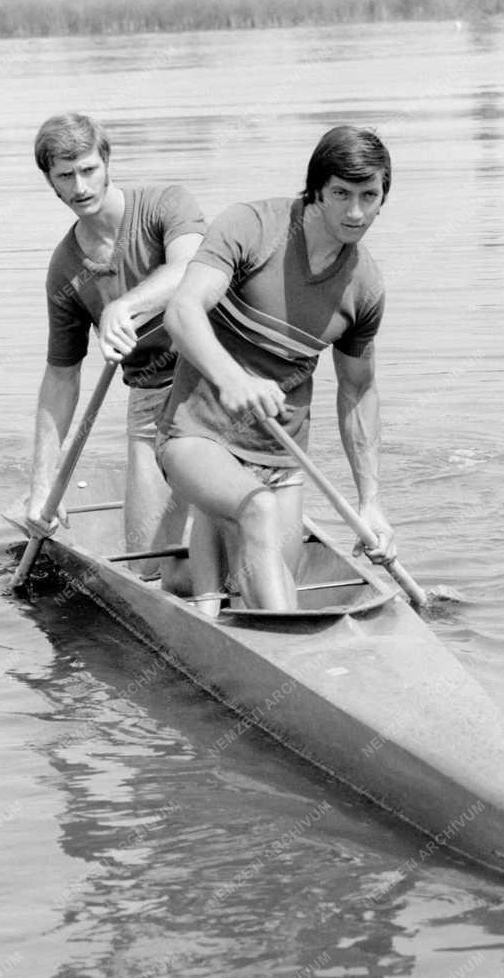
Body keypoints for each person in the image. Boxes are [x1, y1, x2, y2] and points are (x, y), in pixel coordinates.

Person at [156, 125, 398, 613]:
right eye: (341, 194)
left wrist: (370, 502)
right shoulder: (251, 227)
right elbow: (181, 312)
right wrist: (233, 379)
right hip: (197, 437)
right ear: (315, 191)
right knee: (257, 513)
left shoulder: (364, 287)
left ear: (382, 197)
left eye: (368, 195)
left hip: (280, 459)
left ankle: (190, 575)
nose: (356, 212)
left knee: (267, 579)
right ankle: (258, 625)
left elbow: (357, 393)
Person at [25, 113, 205, 583]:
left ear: (106, 162)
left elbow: (191, 269)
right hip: (150, 402)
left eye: (88, 169)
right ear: (51, 183)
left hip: (216, 382)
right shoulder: (66, 269)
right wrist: (43, 482)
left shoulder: (167, 204)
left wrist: (121, 308)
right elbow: (61, 377)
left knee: (223, 538)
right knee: (145, 568)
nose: (80, 186)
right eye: (65, 176)